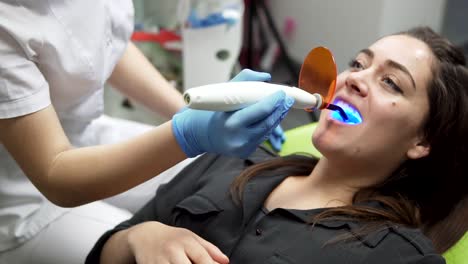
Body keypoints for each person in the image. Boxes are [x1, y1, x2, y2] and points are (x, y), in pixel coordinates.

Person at [86, 26, 468, 264]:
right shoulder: (229, 162)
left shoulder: (397, 255)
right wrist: (138, 239)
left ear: (422, 141)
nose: (354, 78)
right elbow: (102, 252)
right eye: (359, 63)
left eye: (391, 83)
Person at [0, 0, 293, 263]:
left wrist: (189, 109)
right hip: (22, 198)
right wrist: (187, 134)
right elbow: (55, 174)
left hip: (81, 134)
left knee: (210, 178)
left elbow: (104, 42)